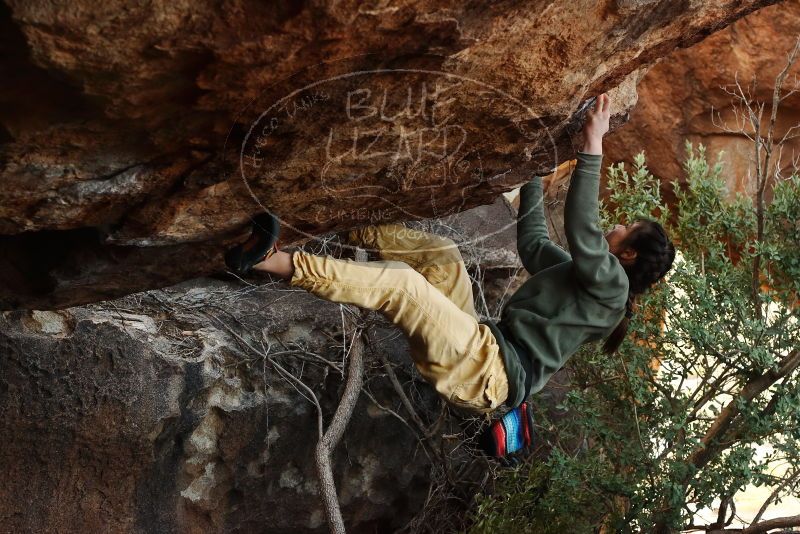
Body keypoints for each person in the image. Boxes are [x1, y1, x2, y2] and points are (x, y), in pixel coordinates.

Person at [225, 93, 675, 458]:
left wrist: (591, 144)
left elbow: (582, 230)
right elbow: (534, 244)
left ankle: (268, 260)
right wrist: (537, 172)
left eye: (624, 229)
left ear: (629, 254)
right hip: (482, 345)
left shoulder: (612, 290)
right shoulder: (587, 281)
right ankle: (348, 221)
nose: (615, 225)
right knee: (443, 256)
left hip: (487, 371)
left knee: (403, 284)